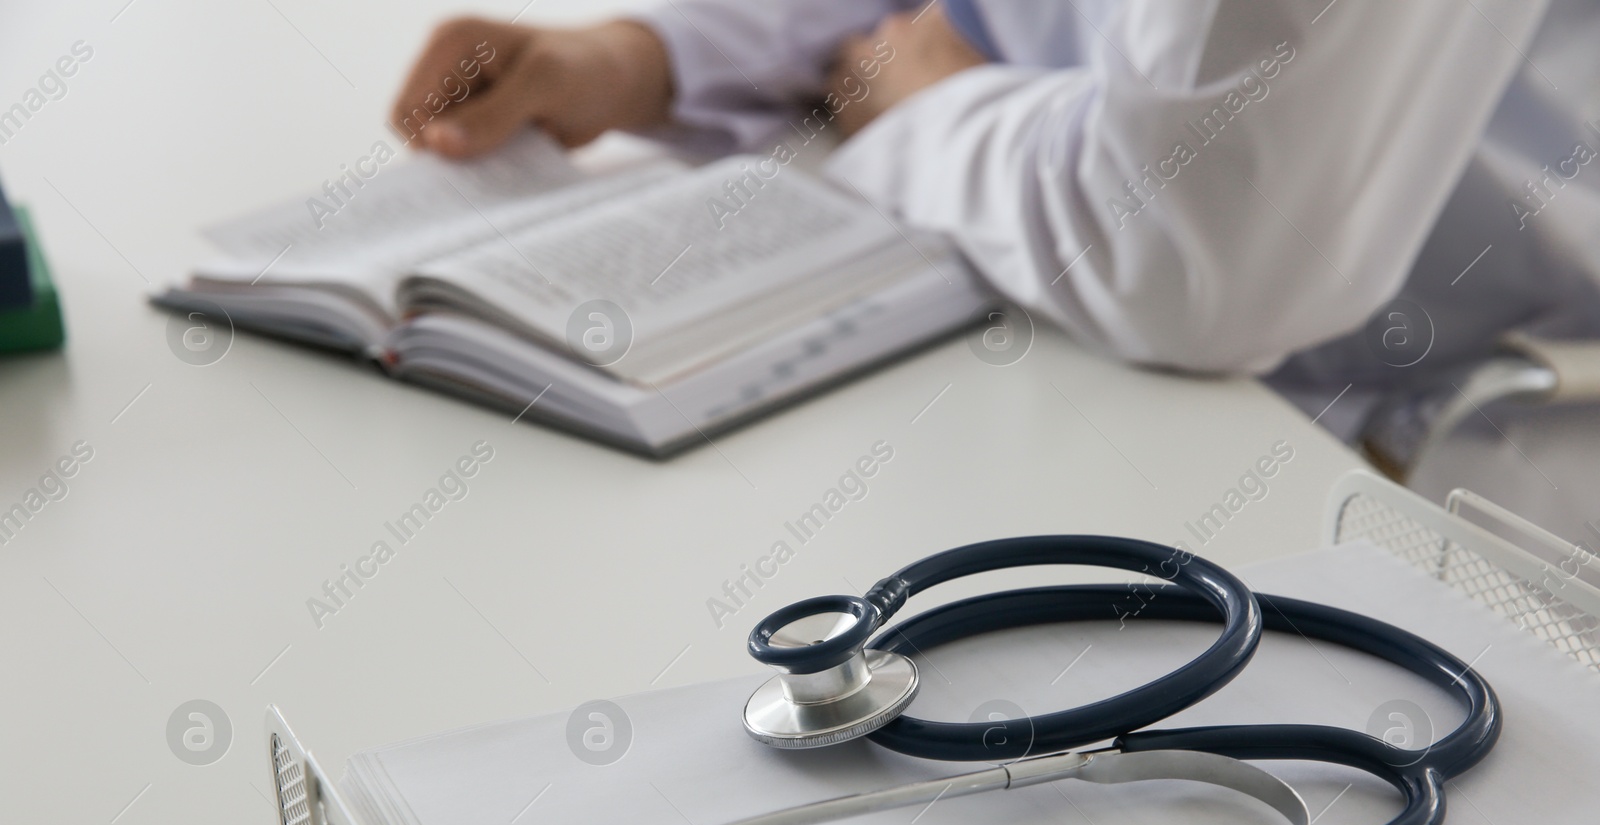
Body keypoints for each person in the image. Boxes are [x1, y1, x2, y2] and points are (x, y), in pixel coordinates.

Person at [390, 1, 1599, 442]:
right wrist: (643, 59)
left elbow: (1185, 260)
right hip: (1064, 325)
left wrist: (929, 107)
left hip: (1437, 436)